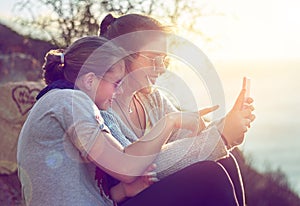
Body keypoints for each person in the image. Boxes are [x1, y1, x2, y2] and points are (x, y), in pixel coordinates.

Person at [17, 36, 242, 206]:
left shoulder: (65, 101)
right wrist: (170, 122)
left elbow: (87, 186)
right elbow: (125, 165)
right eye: (116, 83)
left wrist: (124, 192)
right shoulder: (68, 101)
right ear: (90, 80)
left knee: (222, 165)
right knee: (209, 176)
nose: (118, 91)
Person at [99, 13, 256, 206]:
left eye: (163, 60)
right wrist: (220, 137)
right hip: (123, 200)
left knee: (226, 160)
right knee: (210, 174)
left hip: (152, 194)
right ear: (123, 57)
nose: (161, 69)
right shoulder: (102, 108)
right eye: (153, 59)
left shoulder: (152, 99)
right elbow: (136, 170)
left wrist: (228, 126)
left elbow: (187, 144)